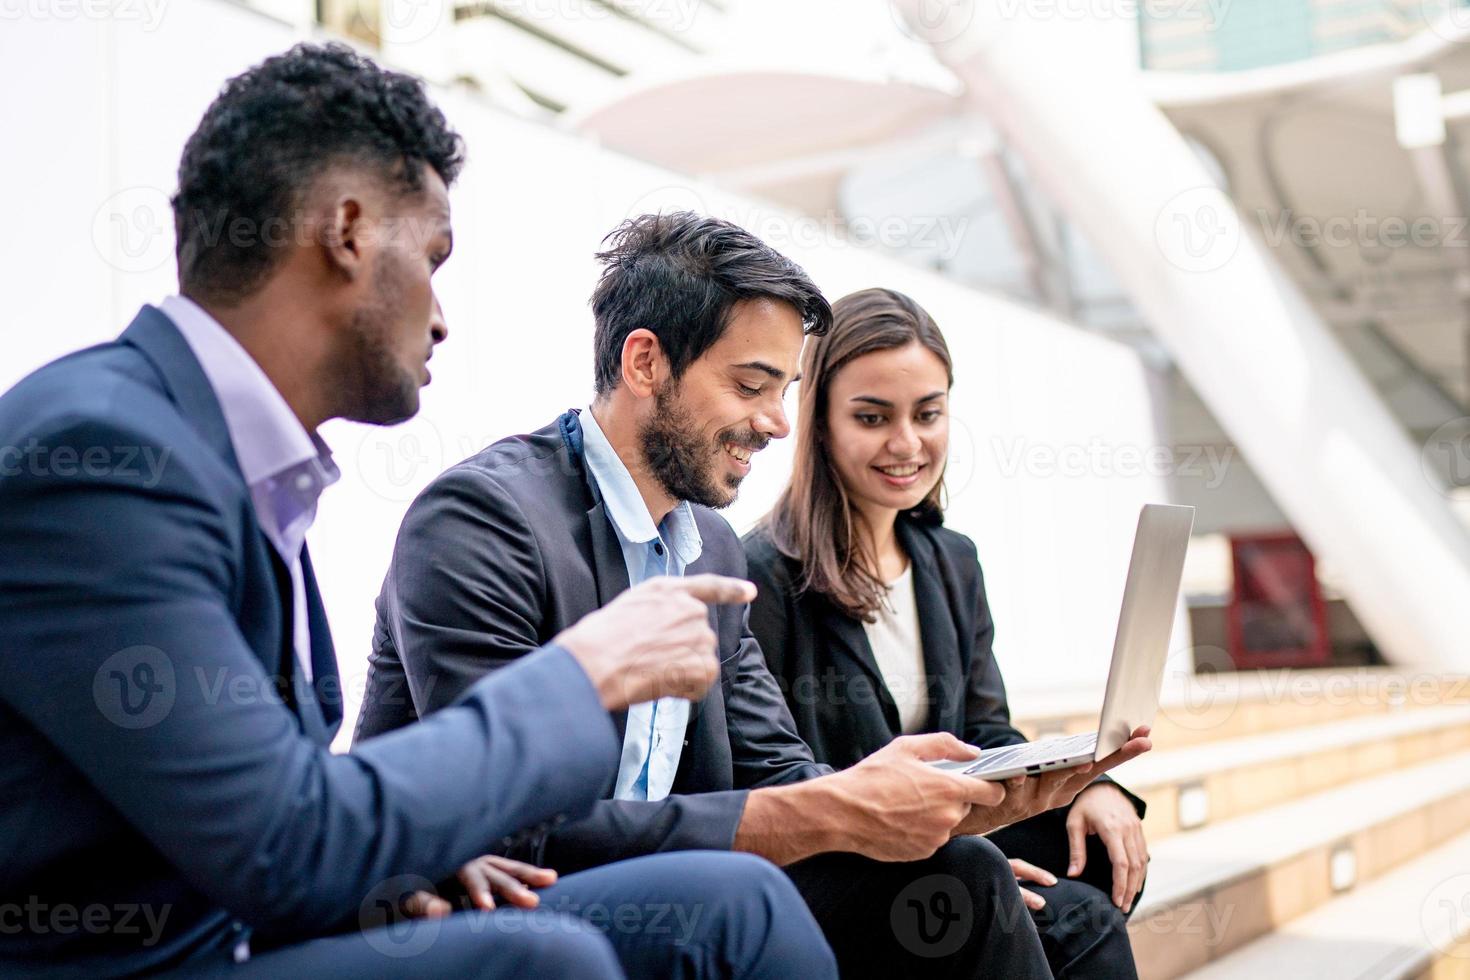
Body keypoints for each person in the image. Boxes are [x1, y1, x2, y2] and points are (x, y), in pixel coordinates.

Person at [0, 43, 838, 980]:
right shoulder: (105, 458)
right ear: (349, 231)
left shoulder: (229, 463)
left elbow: (262, 805)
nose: (441, 315)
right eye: (434, 259)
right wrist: (584, 672)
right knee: (544, 962)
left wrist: (412, 866)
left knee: (736, 908)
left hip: (257, 922)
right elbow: (282, 840)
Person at [355, 211, 1153, 978]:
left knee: (970, 878)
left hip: (676, 880)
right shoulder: (484, 520)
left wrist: (947, 807)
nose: (776, 423)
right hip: (508, 895)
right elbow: (513, 823)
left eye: (785, 390)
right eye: (752, 386)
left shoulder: (707, 541)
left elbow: (777, 770)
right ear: (646, 363)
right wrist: (837, 810)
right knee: (822, 898)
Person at [743, 286, 1150, 978]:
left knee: (1097, 853)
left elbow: (989, 734)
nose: (906, 443)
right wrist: (965, 855)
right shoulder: (765, 575)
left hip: (949, 843)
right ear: (819, 423)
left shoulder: (950, 559)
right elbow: (786, 789)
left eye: (927, 414)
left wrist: (1092, 786)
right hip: (842, 868)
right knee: (1029, 903)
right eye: (872, 417)